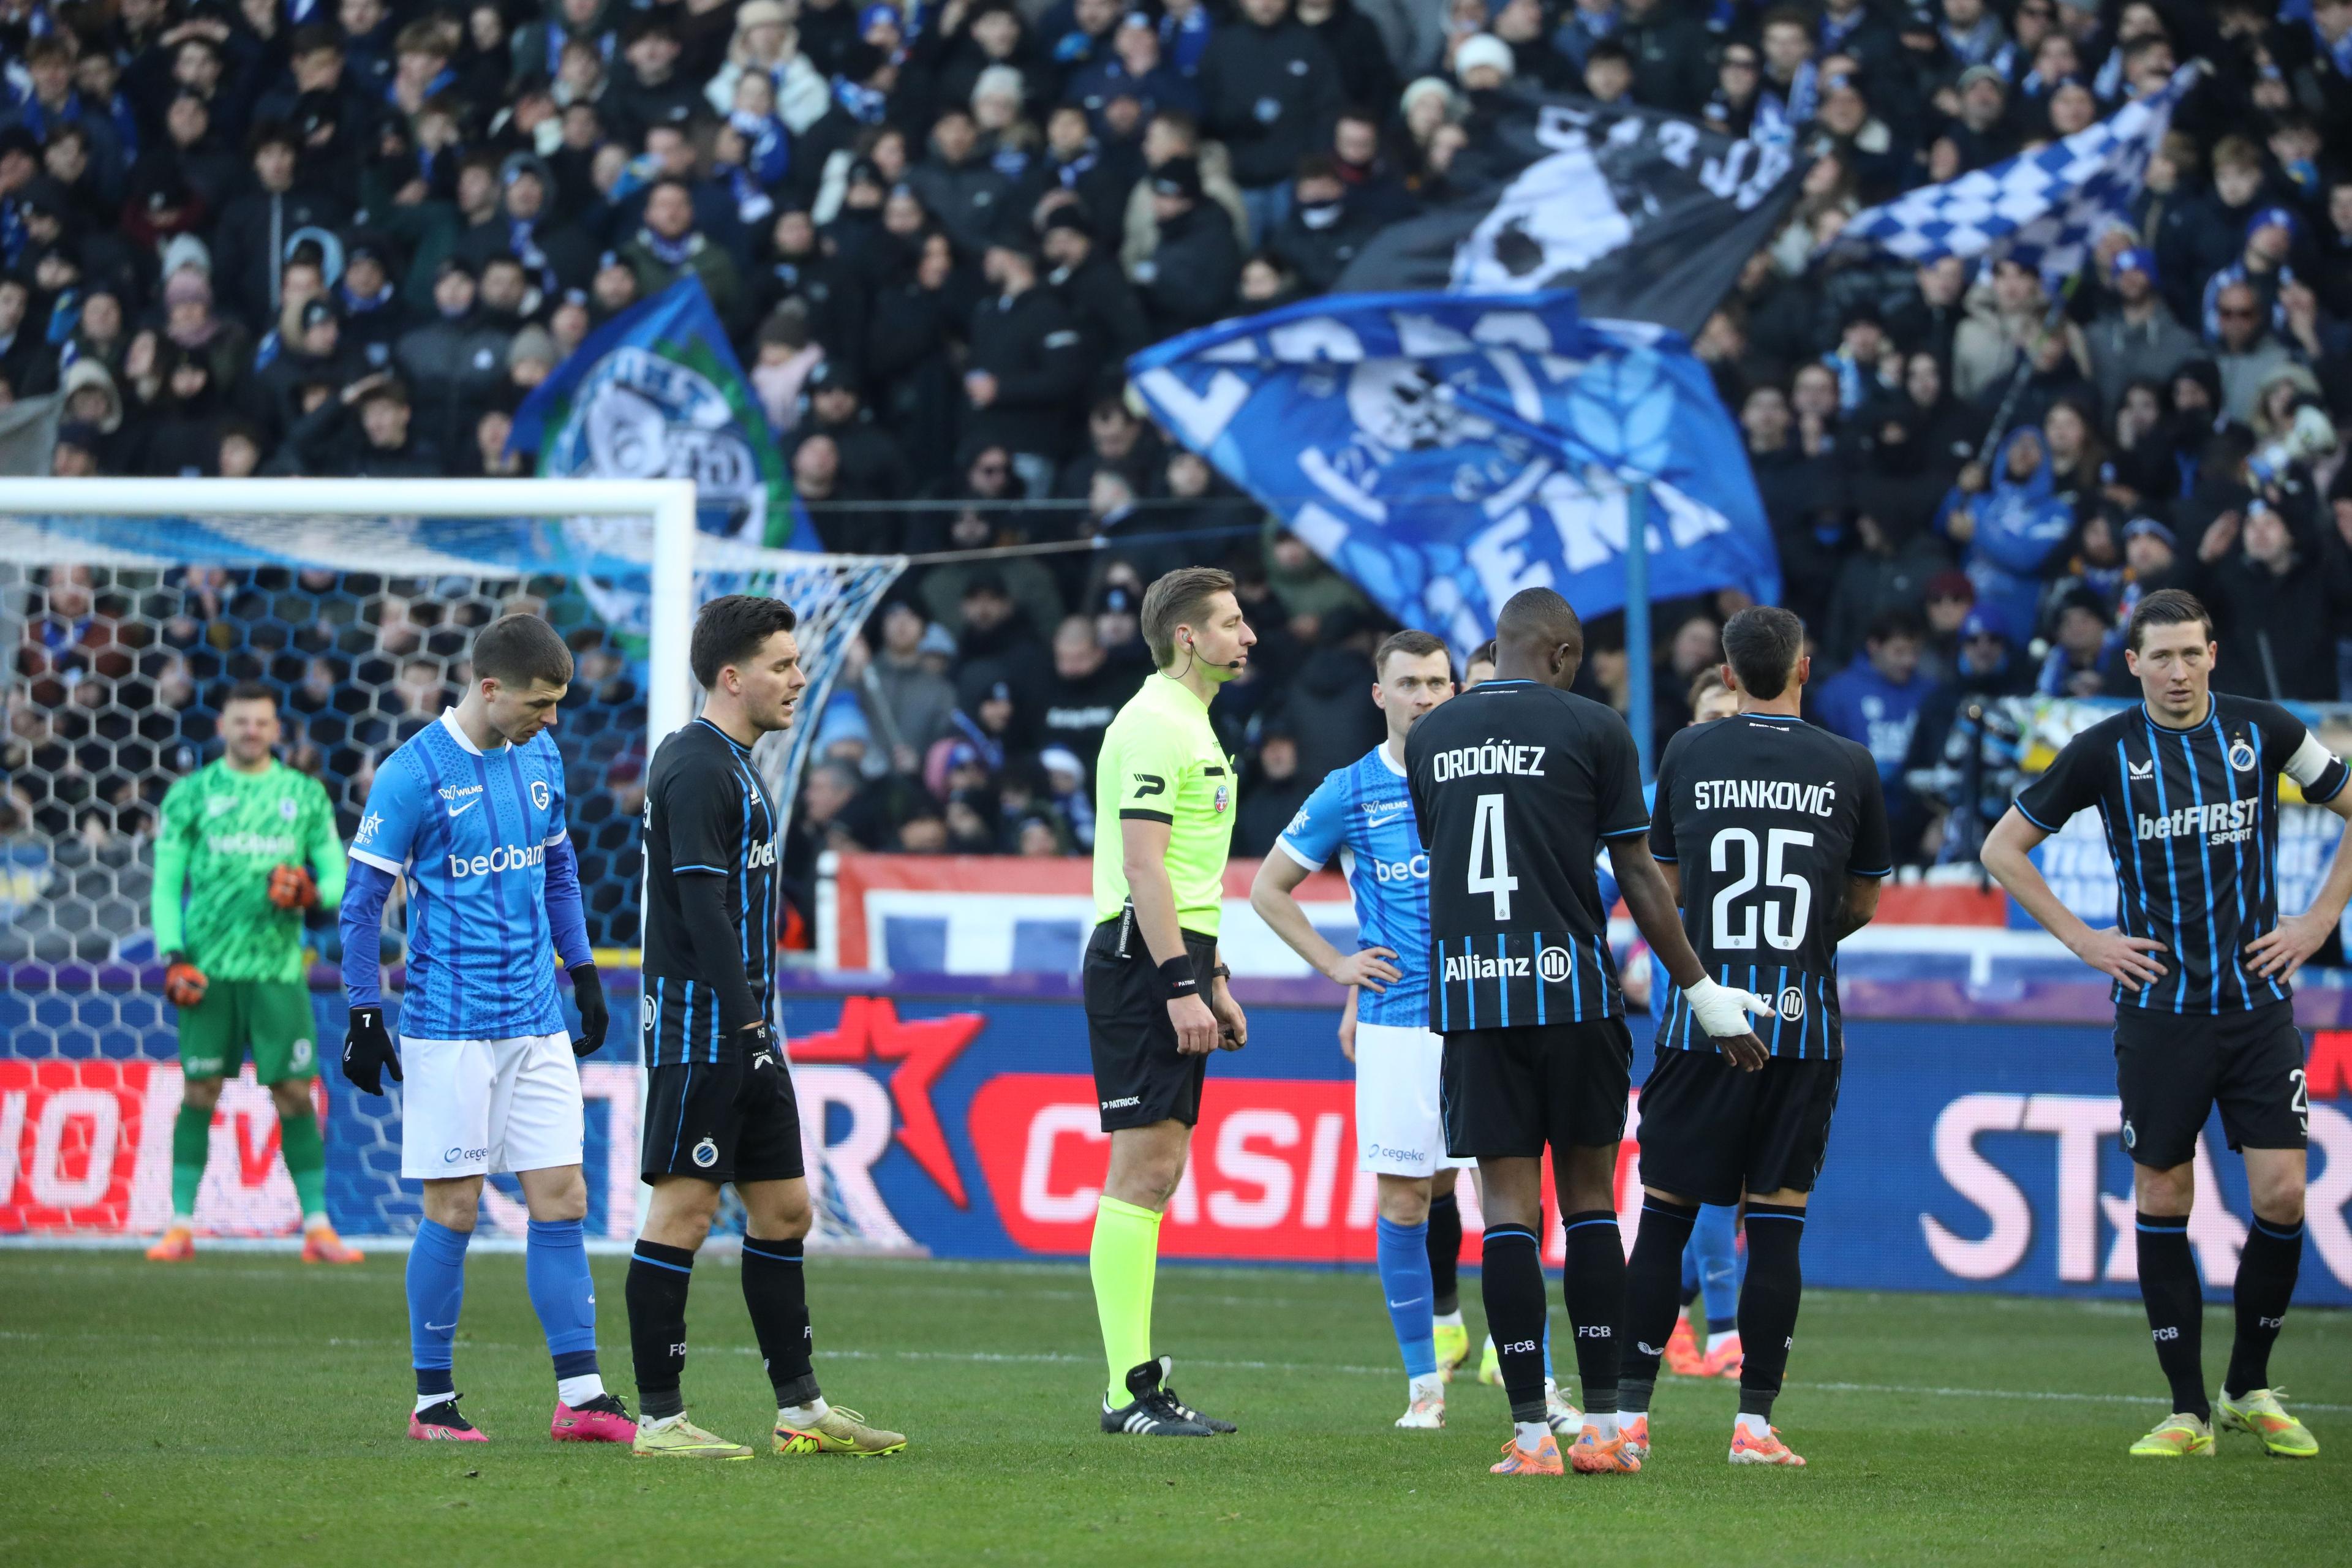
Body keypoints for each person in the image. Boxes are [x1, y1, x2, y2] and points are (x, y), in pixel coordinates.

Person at [1403, 586, 1773, 1479]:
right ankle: (1605, 1427)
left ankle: (1531, 1436)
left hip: (1474, 1001)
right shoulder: (1595, 730)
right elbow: (1638, 874)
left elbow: (1442, 852)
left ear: (1498, 648)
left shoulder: (1429, 739)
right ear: (1564, 656)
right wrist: (1702, 990)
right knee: (1592, 1203)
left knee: (1505, 1212)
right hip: (1573, 998)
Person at [1981, 588, 2345, 1461]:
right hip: (2159, 1016)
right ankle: (2187, 1411)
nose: (2178, 672)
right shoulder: (2104, 751)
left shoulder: (2266, 730)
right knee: (2162, 1197)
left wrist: (2318, 921)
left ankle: (2248, 1386)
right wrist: (2086, 941)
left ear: (2213, 654)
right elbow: (2001, 849)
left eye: (2192, 654)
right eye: (2161, 657)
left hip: (2258, 1010)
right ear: (2133, 664)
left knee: (2284, 1195)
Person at [1252, 630, 1580, 1435]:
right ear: (1380, 694)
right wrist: (1337, 967)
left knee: (1508, 1202)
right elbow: (1269, 888)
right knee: (1404, 1201)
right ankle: (1423, 1386)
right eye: (1409, 682)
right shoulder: (1351, 789)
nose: (1426, 694)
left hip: (1489, 1012)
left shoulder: (1486, 776)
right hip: (1400, 1023)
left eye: (1437, 681)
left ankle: (1536, 1387)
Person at [625, 595, 907, 1460]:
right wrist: (749, 1026)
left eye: (798, 662)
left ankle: (801, 1410)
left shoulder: (737, 764)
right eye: (783, 666)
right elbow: (703, 911)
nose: (800, 677)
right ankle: (660, 1420)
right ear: (731, 676)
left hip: (746, 1027)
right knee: (682, 1211)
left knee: (785, 1210)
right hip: (705, 1030)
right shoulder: (699, 767)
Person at [339, 615, 625, 1444]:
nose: (554, 719)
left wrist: (582, 971)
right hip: (450, 1023)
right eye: (541, 703)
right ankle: (433, 1405)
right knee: (456, 1209)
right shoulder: (412, 775)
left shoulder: (540, 754)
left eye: (560, 703)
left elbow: (559, 868)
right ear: (489, 689)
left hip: (535, 1016)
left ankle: (581, 1398)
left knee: (562, 1198)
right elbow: (362, 908)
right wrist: (365, 1013)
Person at [1615, 606, 1890, 1469]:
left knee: (1663, 1222)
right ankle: (1755, 1427)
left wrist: (1706, 970)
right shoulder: (1851, 765)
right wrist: (1801, 948)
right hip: (1801, 1029)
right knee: (1776, 1227)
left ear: (1728, 675)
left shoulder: (1689, 753)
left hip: (1702, 1022)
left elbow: (1659, 892)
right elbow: (1863, 902)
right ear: (1803, 668)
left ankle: (1627, 1420)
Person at [1084, 565, 1256, 1438]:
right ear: (1188, 636)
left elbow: (1186, 878)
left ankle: (1133, 1384)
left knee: (1160, 1169)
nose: (1248, 636)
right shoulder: (1153, 724)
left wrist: (1213, 978)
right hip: (1140, 956)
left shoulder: (1192, 722)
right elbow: (1143, 869)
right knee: (1143, 1169)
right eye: (1230, 622)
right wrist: (1182, 983)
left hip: (1177, 952)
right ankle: (1127, 1390)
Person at [145, 682, 361, 1266]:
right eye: (241, 721)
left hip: (276, 971)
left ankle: (317, 1227)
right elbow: (166, 883)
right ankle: (180, 1225)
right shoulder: (192, 795)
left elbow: (336, 875)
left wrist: (314, 895)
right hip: (207, 971)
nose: (251, 731)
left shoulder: (304, 794)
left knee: (294, 1093)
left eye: (261, 723)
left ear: (276, 730)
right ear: (222, 727)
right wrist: (172, 954)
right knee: (199, 1090)